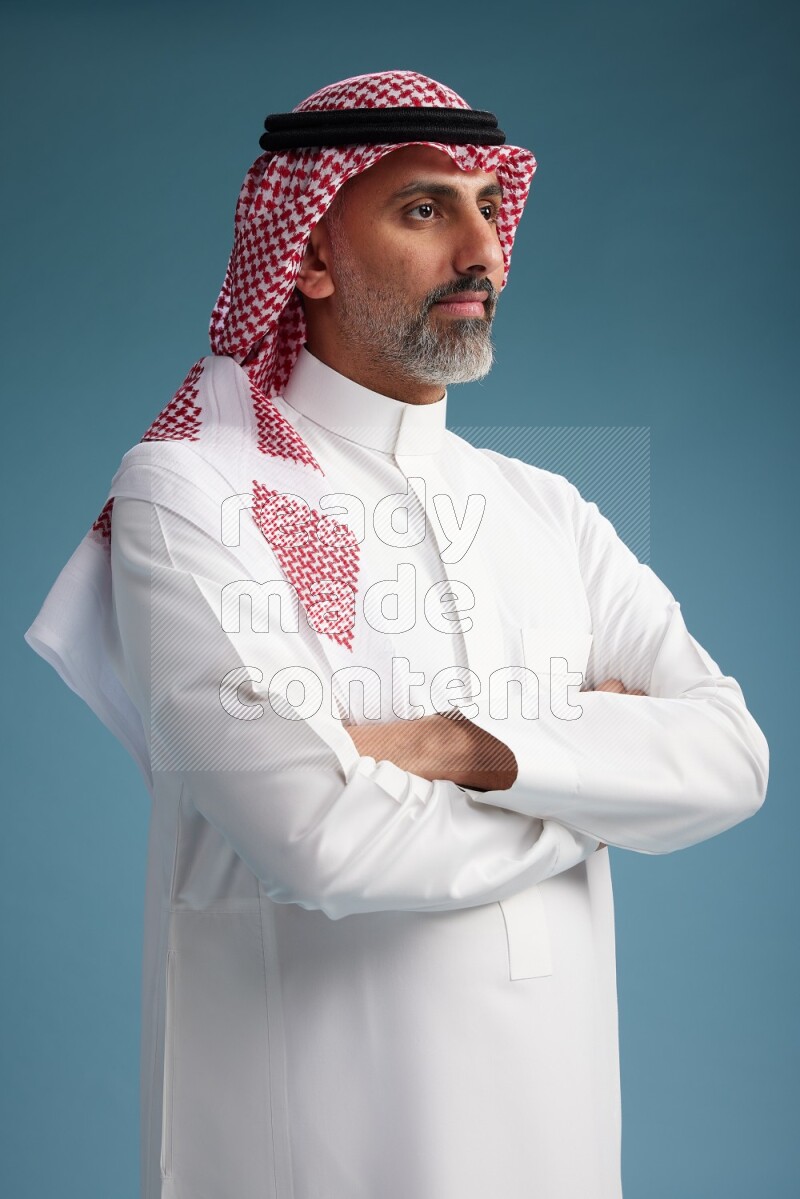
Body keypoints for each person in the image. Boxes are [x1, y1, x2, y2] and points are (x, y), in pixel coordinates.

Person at [25, 69, 769, 1199]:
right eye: (425, 210)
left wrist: (460, 747)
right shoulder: (189, 490)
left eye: (489, 206)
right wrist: (600, 787)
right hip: (311, 1146)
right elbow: (317, 837)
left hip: (559, 1140)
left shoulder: (546, 508)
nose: (481, 251)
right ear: (309, 255)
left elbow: (731, 758)